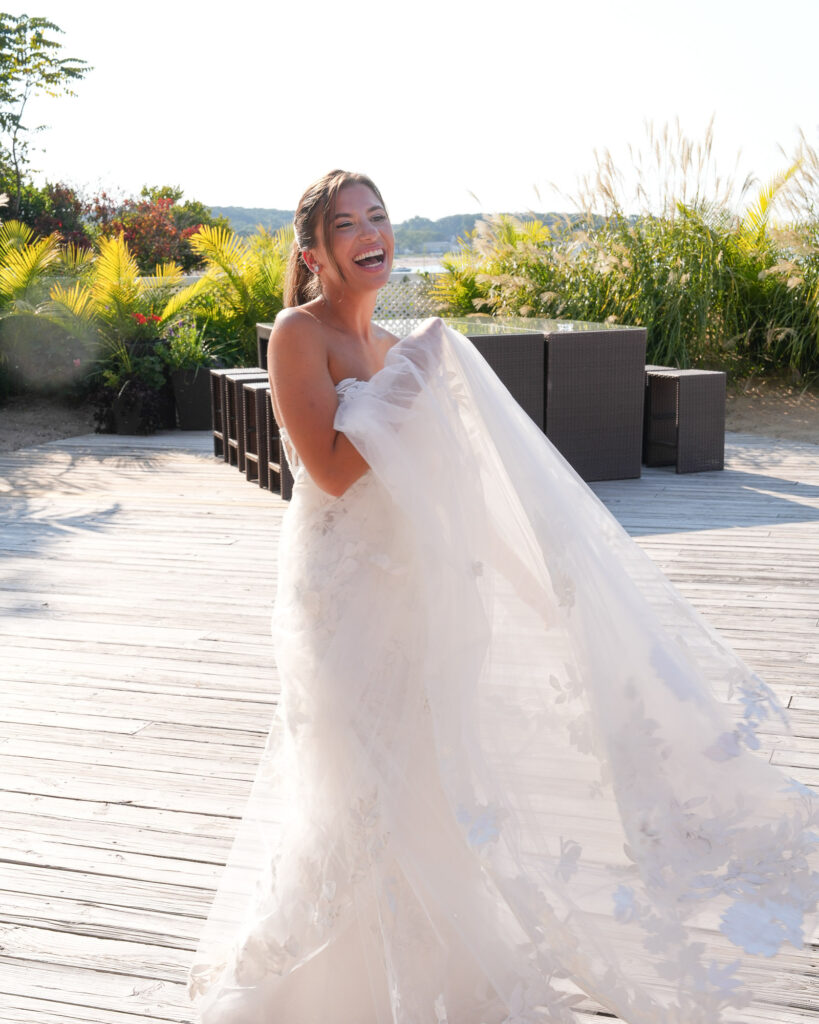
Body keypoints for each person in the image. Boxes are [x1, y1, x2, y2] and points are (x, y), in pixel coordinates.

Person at [189, 170, 818, 1024]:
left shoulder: (390, 345)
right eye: (348, 223)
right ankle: (302, 994)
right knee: (348, 795)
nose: (371, 231)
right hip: (339, 603)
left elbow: (451, 495)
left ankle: (424, 988)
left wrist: (537, 583)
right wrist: (412, 375)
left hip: (415, 602)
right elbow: (333, 473)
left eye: (379, 216)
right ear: (313, 252)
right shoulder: (302, 336)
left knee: (424, 789)